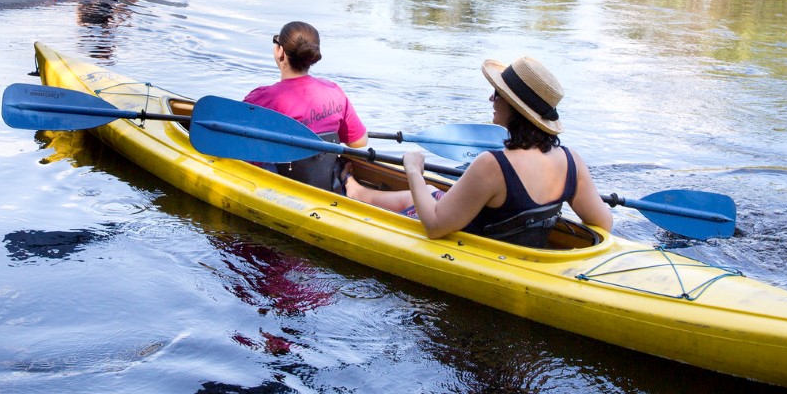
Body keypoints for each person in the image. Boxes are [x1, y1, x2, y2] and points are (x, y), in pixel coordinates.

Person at [347, 56, 613, 247]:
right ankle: (359, 192)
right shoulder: (572, 161)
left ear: (513, 108)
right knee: (430, 193)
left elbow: (435, 226)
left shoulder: (492, 165)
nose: (490, 99)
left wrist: (414, 170)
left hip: (476, 245)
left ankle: (357, 193)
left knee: (424, 193)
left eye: (496, 94)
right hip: (527, 250)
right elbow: (604, 223)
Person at [242, 21, 368, 191]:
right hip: (322, 184)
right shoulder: (334, 91)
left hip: (280, 189)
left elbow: (235, 146)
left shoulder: (262, 99)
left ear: (281, 52)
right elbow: (360, 142)